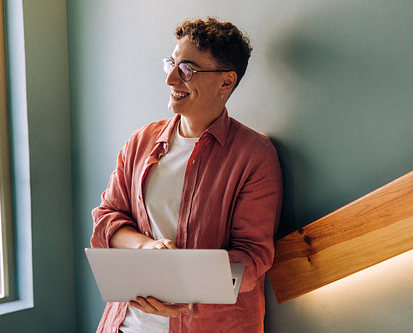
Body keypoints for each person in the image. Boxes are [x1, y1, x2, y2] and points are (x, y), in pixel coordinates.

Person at [90, 17, 283, 333]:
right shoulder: (140, 142)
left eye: (187, 70)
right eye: (171, 64)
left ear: (226, 82)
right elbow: (107, 218)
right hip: (128, 324)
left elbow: (251, 260)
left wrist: (182, 289)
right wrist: (146, 248)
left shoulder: (254, 156)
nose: (171, 79)